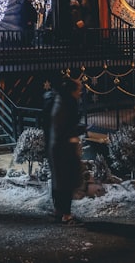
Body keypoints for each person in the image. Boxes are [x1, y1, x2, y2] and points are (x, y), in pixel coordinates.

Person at [48, 77, 86, 224]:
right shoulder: (67, 103)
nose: (80, 92)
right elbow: (64, 127)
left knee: (63, 180)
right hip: (64, 148)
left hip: (60, 147)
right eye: (78, 89)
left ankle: (61, 211)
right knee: (66, 180)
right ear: (72, 90)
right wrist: (74, 136)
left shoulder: (63, 101)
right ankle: (66, 214)